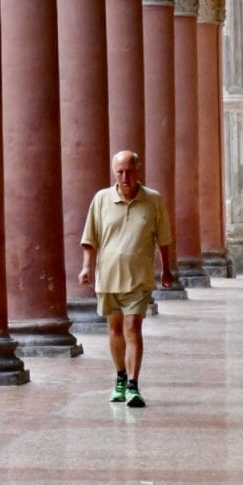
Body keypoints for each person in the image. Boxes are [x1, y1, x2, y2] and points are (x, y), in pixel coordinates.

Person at [78, 150, 173, 408]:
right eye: (120, 172)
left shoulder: (153, 200)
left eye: (129, 171)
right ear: (113, 173)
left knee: (133, 327)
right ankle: (119, 377)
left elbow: (163, 240)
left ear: (138, 171)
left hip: (139, 278)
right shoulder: (101, 199)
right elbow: (90, 238)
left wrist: (166, 269)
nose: (125, 177)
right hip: (108, 276)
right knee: (115, 329)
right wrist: (87, 268)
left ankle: (133, 385)